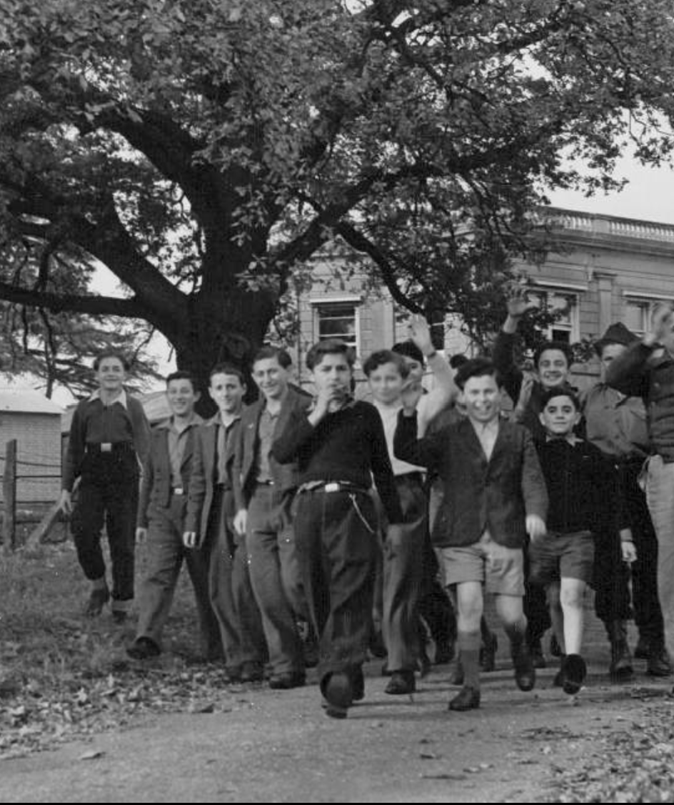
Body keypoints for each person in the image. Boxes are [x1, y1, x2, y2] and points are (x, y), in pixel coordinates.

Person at [394, 358, 548, 711]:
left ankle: (520, 647)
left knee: (511, 617)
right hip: (461, 533)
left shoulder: (518, 435)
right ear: (463, 396)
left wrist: (536, 514)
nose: (482, 399)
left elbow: (533, 480)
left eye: (489, 392)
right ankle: (472, 686)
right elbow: (407, 451)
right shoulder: (448, 435)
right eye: (474, 392)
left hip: (505, 531)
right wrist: (407, 411)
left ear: (499, 394)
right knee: (468, 605)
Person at [272, 338, 404, 719]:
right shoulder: (301, 414)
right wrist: (318, 414)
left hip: (352, 504)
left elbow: (382, 469)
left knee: (351, 588)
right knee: (314, 591)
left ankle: (337, 681)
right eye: (326, 370)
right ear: (311, 375)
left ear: (352, 373)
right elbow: (282, 453)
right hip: (310, 506)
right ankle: (348, 670)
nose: (334, 376)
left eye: (341, 369)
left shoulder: (364, 413)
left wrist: (394, 522)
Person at [365, 316, 455, 695]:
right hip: (367, 497)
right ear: (368, 382)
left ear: (404, 380)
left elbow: (450, 387)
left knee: (400, 583)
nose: (385, 386)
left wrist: (429, 350)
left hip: (405, 494)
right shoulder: (360, 413)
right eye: (378, 379)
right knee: (374, 586)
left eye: (392, 378)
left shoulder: (417, 409)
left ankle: (400, 666)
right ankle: (409, 648)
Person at [493, 284, 577, 667]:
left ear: (568, 368)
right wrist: (512, 318)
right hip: (528, 497)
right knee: (531, 574)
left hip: (565, 495)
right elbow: (501, 362)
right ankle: (534, 639)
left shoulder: (575, 403)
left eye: (559, 364)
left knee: (564, 574)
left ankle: (564, 638)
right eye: (546, 365)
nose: (553, 370)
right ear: (538, 369)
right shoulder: (526, 391)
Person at [531, 389, 634, 694]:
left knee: (572, 596)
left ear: (577, 417)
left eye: (567, 410)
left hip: (581, 536)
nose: (560, 415)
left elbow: (614, 498)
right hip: (545, 538)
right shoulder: (535, 453)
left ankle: (574, 661)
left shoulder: (592, 454)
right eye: (553, 410)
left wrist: (624, 535)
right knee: (554, 600)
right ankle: (566, 656)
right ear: (542, 417)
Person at [582, 324, 670, 679]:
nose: (613, 363)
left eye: (620, 357)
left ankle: (653, 642)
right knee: (610, 566)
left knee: (649, 563)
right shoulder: (588, 397)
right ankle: (617, 642)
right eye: (607, 358)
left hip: (639, 477)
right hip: (603, 479)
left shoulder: (643, 393)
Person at [127, 372, 222, 662]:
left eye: (185, 391)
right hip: (161, 512)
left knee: (204, 579)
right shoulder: (157, 434)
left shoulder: (207, 431)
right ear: (167, 396)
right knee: (157, 574)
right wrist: (142, 520)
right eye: (173, 392)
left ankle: (214, 647)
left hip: (198, 512)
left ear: (196, 396)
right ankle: (147, 638)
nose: (179, 397)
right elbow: (149, 479)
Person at [183, 365, 267, 682]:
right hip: (216, 509)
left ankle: (255, 655)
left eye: (231, 386)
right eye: (219, 388)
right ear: (211, 392)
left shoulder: (254, 422)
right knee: (220, 587)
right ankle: (235, 656)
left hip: (248, 504)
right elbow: (198, 481)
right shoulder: (205, 430)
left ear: (244, 389)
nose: (226, 393)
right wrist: (192, 522)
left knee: (245, 585)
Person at [232, 347, 309, 690]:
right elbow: (238, 465)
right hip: (258, 500)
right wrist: (242, 506)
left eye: (273, 372)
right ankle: (285, 665)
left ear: (288, 371)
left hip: (295, 498)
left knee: (295, 584)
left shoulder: (307, 406)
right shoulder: (250, 414)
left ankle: (328, 639)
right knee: (266, 589)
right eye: (260, 374)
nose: (267, 379)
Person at [606, 303, 674, 687]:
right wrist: (648, 341)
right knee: (670, 570)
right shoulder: (654, 369)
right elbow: (615, 375)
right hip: (669, 466)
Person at [60, 351, 150, 623]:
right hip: (93, 470)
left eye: (117, 369)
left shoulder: (133, 406)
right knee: (83, 529)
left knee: (122, 540)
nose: (111, 373)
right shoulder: (85, 408)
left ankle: (121, 604)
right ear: (96, 374)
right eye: (105, 369)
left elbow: (146, 448)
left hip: (124, 472)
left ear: (125, 374)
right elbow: (74, 450)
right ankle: (99, 587)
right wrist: (66, 487)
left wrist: (151, 485)